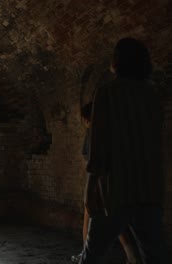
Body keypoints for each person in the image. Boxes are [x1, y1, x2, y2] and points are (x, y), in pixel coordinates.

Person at [80, 38, 168, 263]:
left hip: (117, 189)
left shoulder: (108, 92)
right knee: (154, 256)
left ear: (118, 60)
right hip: (149, 188)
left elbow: (99, 145)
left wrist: (90, 189)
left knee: (92, 256)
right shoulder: (152, 95)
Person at [71, 103, 137, 263]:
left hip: (100, 184)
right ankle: (130, 254)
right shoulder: (113, 132)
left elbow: (92, 162)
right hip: (114, 184)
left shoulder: (94, 134)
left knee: (92, 218)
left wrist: (89, 188)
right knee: (116, 220)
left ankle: (86, 254)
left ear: (87, 119)